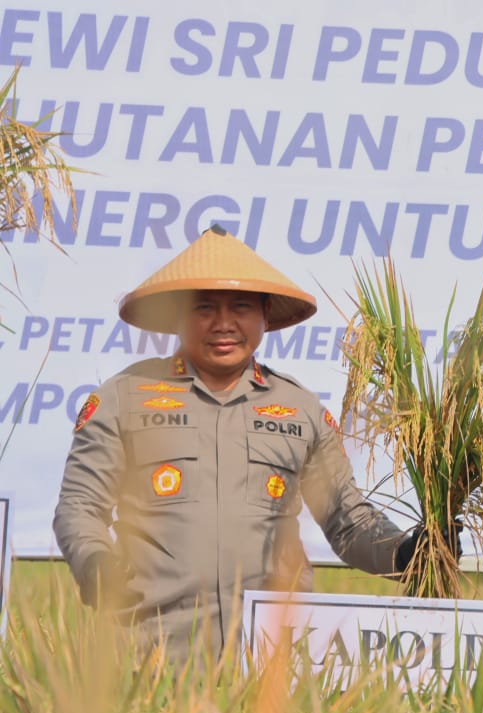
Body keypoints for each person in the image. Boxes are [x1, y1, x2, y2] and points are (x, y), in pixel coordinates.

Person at [53, 224, 451, 658]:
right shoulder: (122, 397)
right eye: (204, 307)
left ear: (264, 315)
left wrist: (406, 551)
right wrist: (94, 563)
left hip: (273, 659)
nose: (223, 324)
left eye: (241, 307)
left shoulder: (300, 410)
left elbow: (347, 520)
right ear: (178, 317)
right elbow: (79, 506)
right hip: (150, 658)